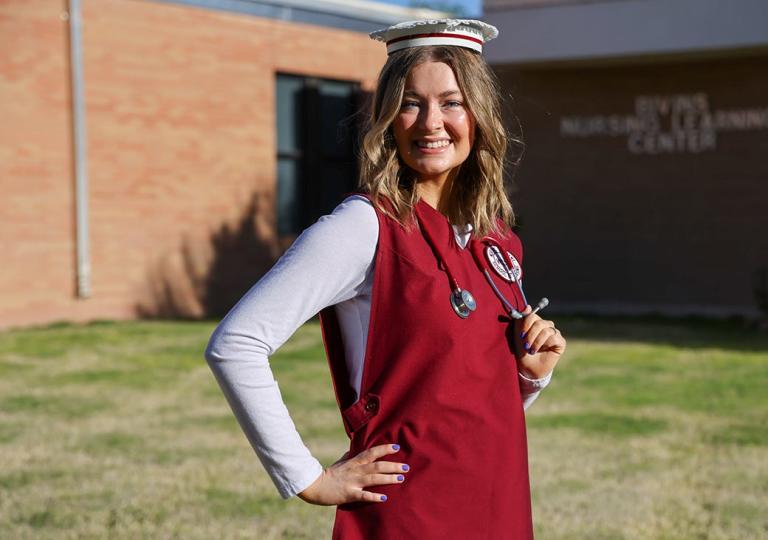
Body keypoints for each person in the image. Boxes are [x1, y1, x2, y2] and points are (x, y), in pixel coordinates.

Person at [204, 19, 565, 538]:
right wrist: (307, 477)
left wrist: (531, 375)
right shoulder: (364, 227)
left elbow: (462, 403)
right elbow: (235, 344)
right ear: (388, 117)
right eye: (411, 102)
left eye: (451, 102)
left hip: (496, 501)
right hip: (407, 515)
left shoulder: (498, 241)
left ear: (480, 116)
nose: (430, 122)